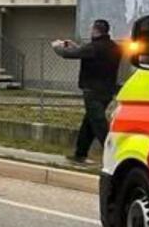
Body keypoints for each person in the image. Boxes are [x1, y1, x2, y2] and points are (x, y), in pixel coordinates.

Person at [52, 20, 122, 164]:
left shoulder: (93, 47)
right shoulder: (114, 47)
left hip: (92, 90)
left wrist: (57, 47)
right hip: (107, 90)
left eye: (92, 29)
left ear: (95, 30)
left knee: (99, 124)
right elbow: (89, 54)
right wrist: (76, 47)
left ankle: (115, 156)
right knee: (89, 123)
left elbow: (69, 54)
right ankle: (80, 154)